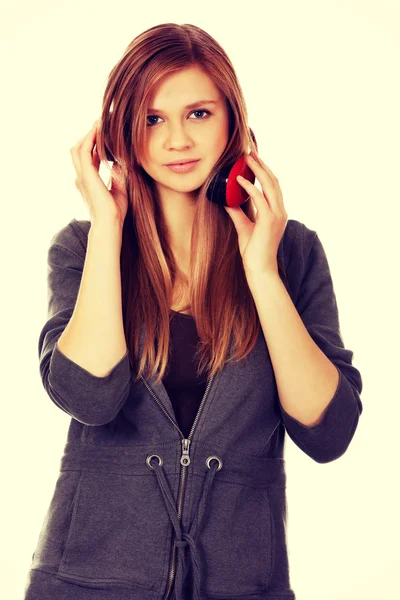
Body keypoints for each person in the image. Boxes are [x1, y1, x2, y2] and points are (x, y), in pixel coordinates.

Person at [23, 22, 363, 600]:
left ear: (233, 120)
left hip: (242, 586)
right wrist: (108, 224)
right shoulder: (83, 248)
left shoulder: (294, 252)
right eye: (153, 119)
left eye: (199, 114)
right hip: (86, 582)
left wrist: (262, 272)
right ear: (120, 134)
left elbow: (327, 432)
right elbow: (88, 397)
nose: (177, 140)